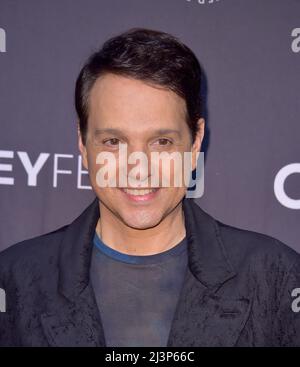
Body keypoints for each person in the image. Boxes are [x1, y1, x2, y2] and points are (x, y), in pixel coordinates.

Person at [0, 28, 299, 347]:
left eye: (162, 142)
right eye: (114, 142)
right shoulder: (15, 280)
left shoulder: (276, 278)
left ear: (195, 140)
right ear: (83, 144)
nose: (138, 168)